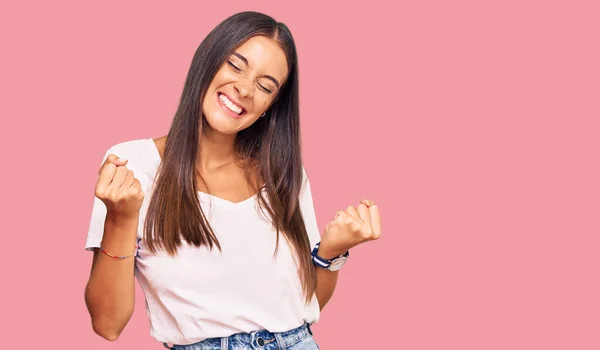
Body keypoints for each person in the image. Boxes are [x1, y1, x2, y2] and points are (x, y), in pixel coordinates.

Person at [84, 11, 382, 350]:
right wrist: (121, 219)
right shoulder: (134, 165)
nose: (243, 89)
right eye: (236, 66)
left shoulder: (284, 175)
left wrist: (331, 251)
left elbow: (302, 310)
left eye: (265, 86)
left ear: (271, 104)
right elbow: (107, 323)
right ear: (207, 61)